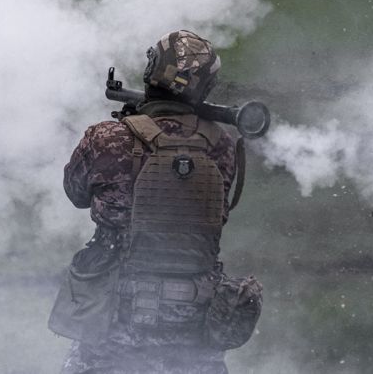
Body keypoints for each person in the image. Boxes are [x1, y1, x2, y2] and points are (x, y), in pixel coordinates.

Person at [49, 30, 262, 374]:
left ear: (152, 72)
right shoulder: (220, 145)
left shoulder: (107, 137)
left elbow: (76, 193)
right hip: (194, 315)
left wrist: (130, 125)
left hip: (116, 316)